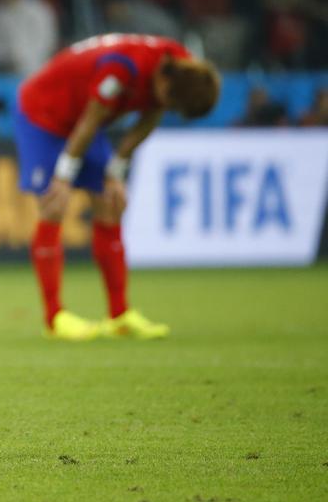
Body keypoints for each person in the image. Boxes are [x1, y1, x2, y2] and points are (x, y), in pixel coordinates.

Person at [15, 33, 220, 341]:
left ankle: (119, 315)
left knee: (110, 204)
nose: (166, 107)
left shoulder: (179, 65)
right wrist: (63, 176)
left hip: (86, 119)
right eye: (170, 101)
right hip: (43, 114)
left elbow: (151, 114)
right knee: (55, 203)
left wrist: (116, 170)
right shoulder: (120, 69)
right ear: (165, 83)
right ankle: (55, 317)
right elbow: (90, 121)